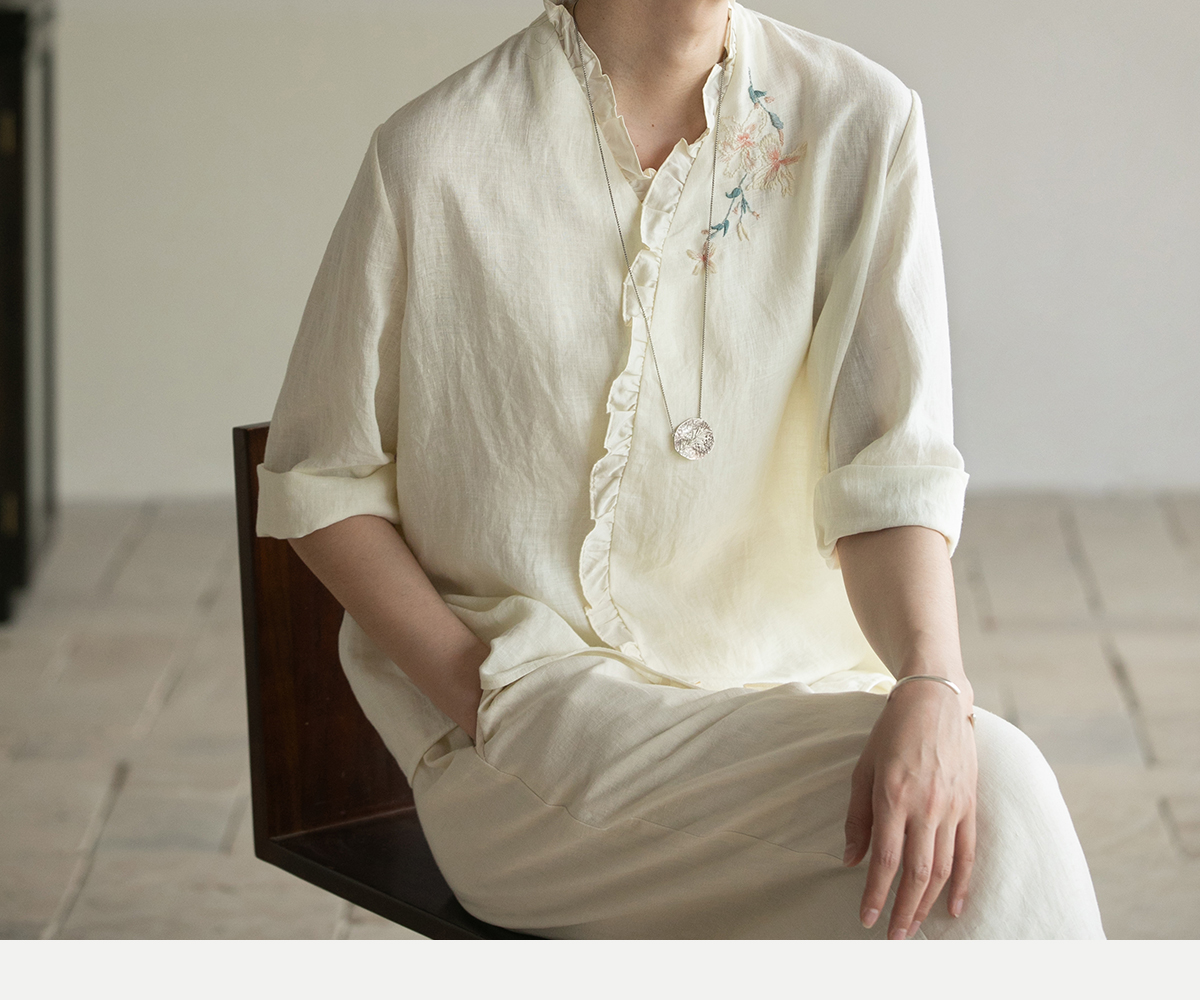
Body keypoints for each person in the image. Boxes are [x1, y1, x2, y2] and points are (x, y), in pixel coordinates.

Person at [256, 0, 1105, 938]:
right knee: (996, 822)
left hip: (793, 700)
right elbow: (321, 480)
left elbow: (888, 467)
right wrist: (481, 693)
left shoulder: (860, 118)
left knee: (981, 819)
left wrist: (933, 685)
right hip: (540, 731)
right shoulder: (436, 154)